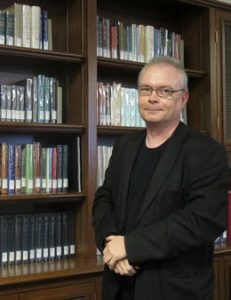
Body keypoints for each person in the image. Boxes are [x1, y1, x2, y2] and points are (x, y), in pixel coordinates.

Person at [92, 55, 229, 300]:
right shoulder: (124, 146)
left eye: (165, 91)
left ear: (183, 98)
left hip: (172, 289)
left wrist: (130, 247)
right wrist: (110, 243)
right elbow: (104, 199)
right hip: (118, 284)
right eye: (145, 89)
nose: (152, 98)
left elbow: (203, 219)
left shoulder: (206, 151)